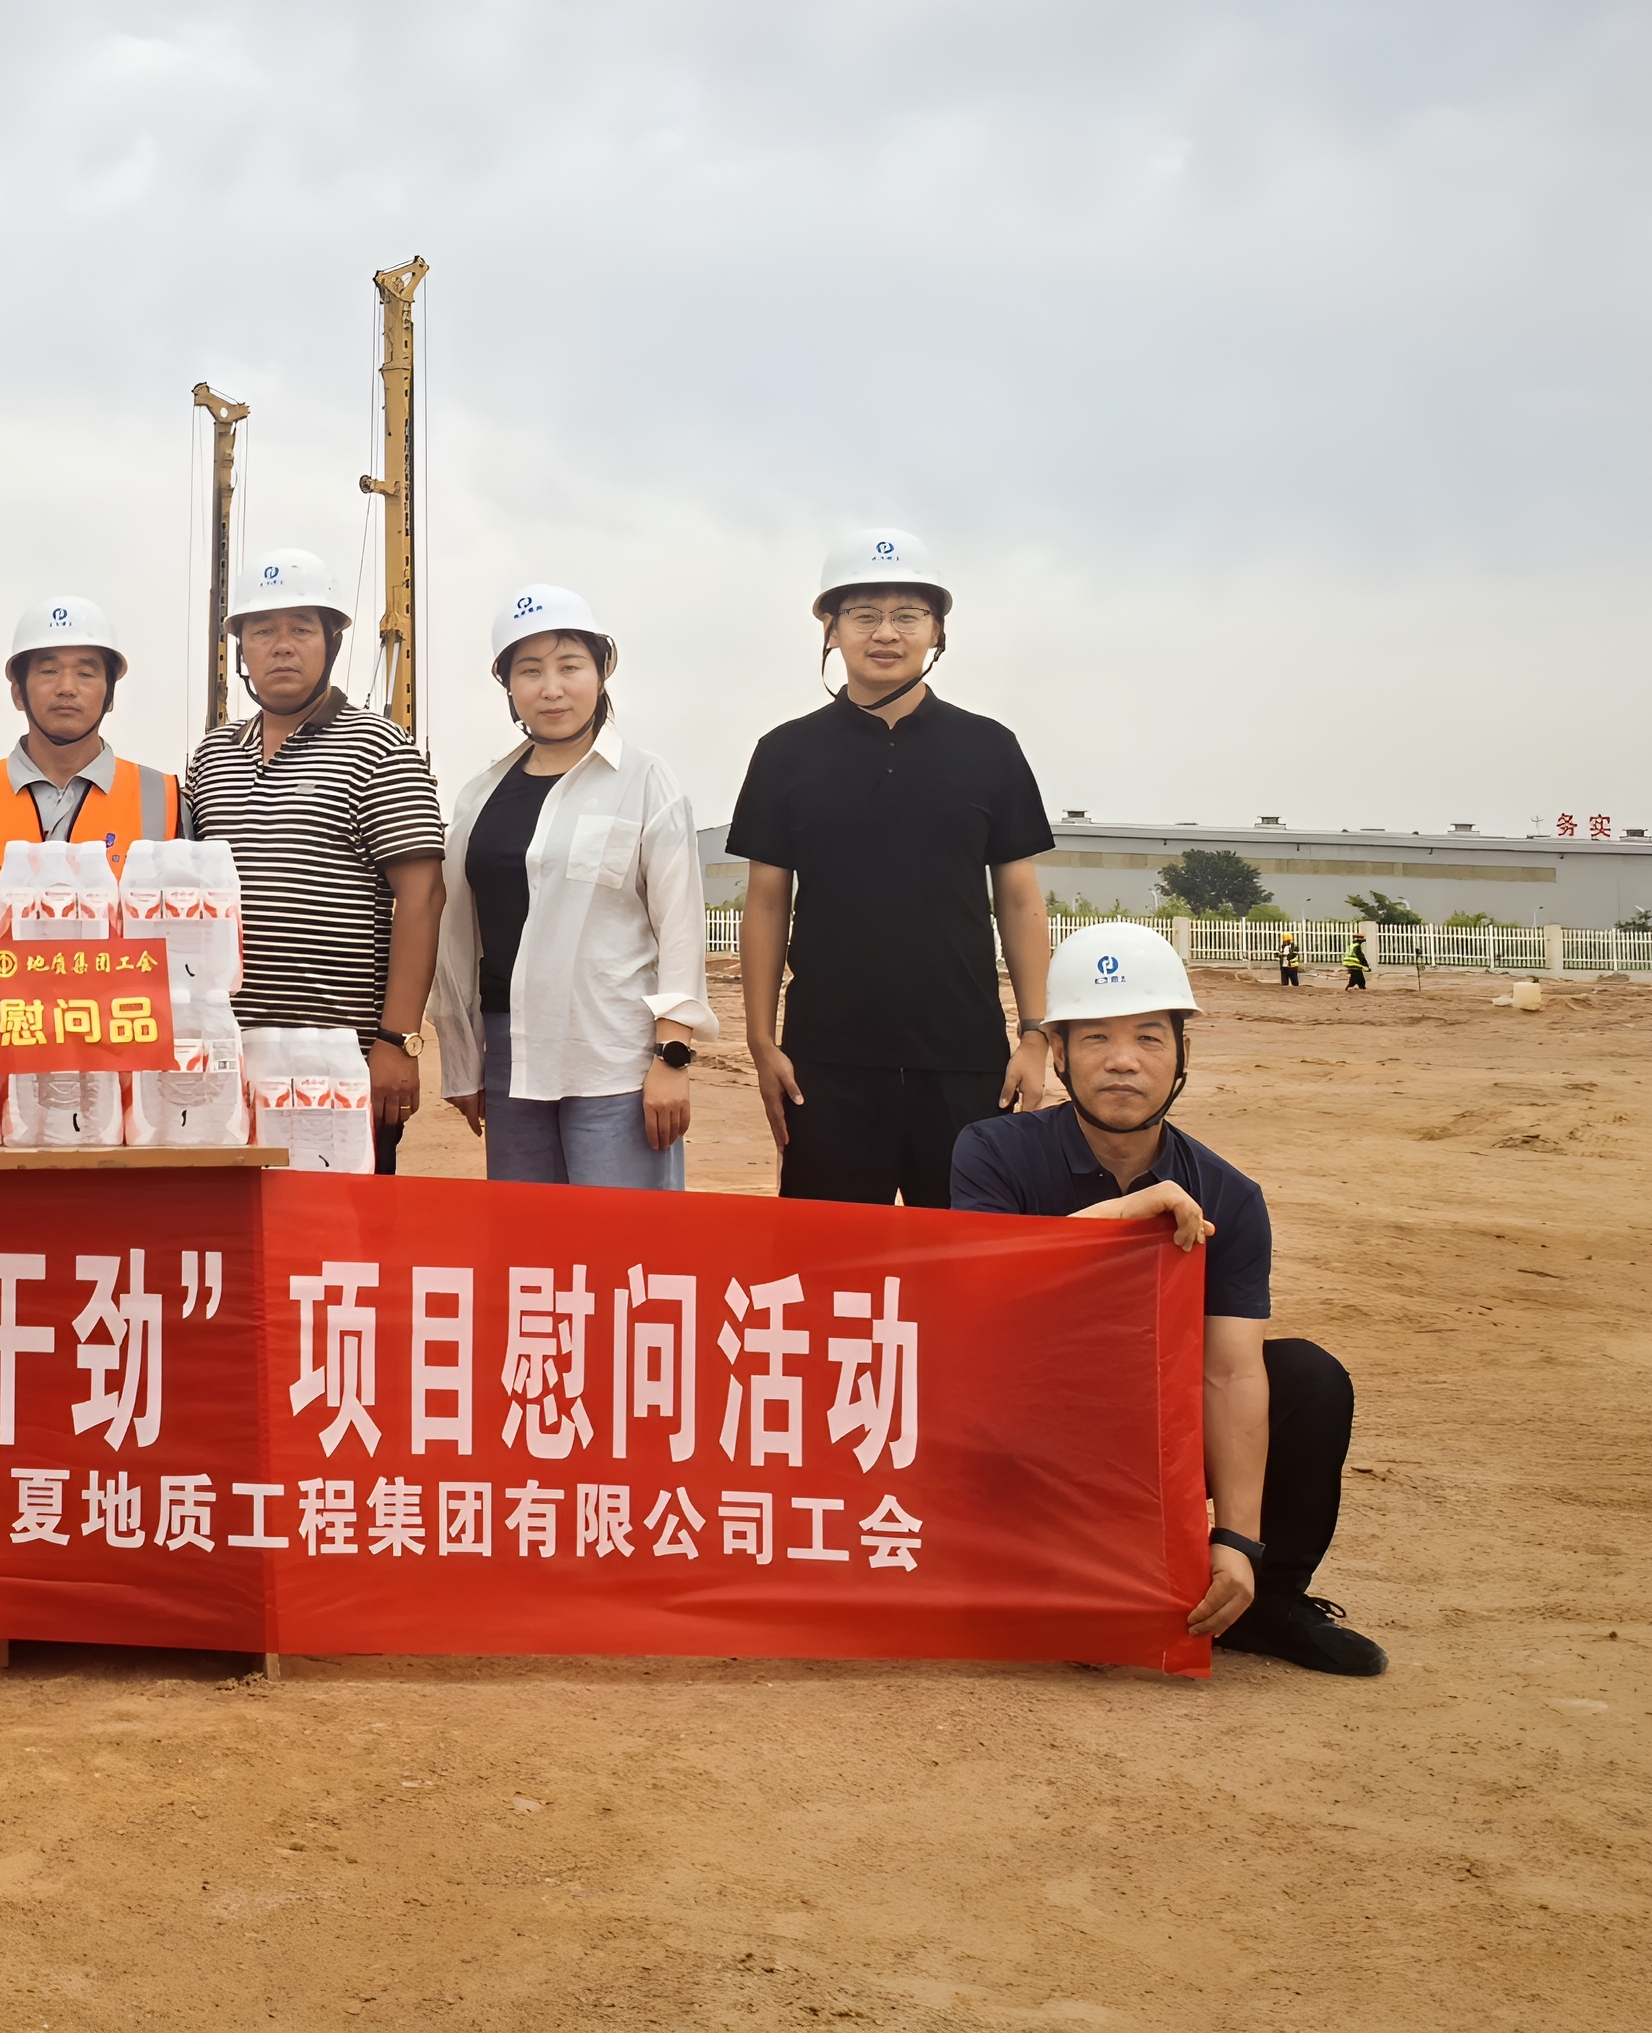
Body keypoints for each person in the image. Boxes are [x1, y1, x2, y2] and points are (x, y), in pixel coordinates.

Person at [954, 922, 1387, 1676]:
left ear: (1183, 1054)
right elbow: (979, 1293)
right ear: (1057, 1054)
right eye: (1094, 1039)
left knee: (1307, 1380)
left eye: (1150, 1038)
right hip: (1020, 1439)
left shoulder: (1231, 1196)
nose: (1123, 1061)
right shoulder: (992, 1152)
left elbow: (1230, 1373)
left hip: (1150, 1431)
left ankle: (1263, 1602)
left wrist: (1239, 1542)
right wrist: (1121, 1217)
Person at [726, 527, 1057, 1210]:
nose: (887, 633)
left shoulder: (990, 749)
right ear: (831, 627)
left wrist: (1034, 1034)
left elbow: (1020, 899)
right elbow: (764, 903)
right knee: (827, 1275)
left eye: (908, 615)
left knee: (967, 1273)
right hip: (825, 1063)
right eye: (864, 614)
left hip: (967, 1062)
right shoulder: (785, 754)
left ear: (937, 630)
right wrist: (762, 1042)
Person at [428, 585, 712, 1190]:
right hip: (511, 1057)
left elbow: (682, 931)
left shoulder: (643, 780)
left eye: (569, 666)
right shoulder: (480, 797)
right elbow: (456, 940)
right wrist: (462, 1063)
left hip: (614, 1056)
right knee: (531, 1253)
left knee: (625, 1249)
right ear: (508, 685)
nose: (551, 688)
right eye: (529, 671)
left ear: (602, 670)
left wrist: (672, 1058)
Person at [180, 545, 446, 1174]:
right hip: (228, 1057)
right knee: (228, 1240)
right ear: (239, 647)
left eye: (302, 629)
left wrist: (396, 1042)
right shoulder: (211, 756)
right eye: (262, 630)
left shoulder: (380, 747)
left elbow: (423, 895)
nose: (281, 645)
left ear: (330, 642)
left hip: (339, 1062)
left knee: (339, 1247)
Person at [0, 594, 186, 866]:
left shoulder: (162, 799)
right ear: (18, 691)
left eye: (85, 674)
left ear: (110, 695)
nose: (67, 687)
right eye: (49, 671)